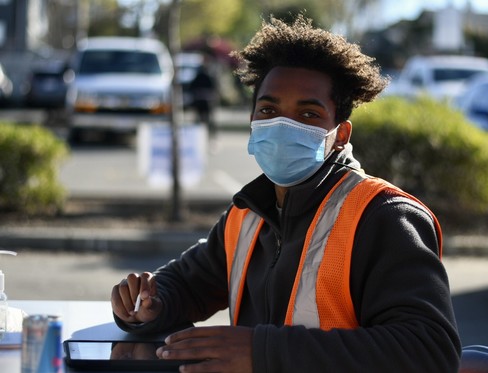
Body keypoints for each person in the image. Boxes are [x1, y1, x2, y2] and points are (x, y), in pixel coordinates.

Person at [111, 15, 461, 372]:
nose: (282, 124)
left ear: (340, 134)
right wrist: (147, 303)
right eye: (269, 109)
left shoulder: (383, 216)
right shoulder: (249, 213)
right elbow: (188, 284)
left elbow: (429, 349)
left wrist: (262, 352)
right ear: (252, 120)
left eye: (308, 114)